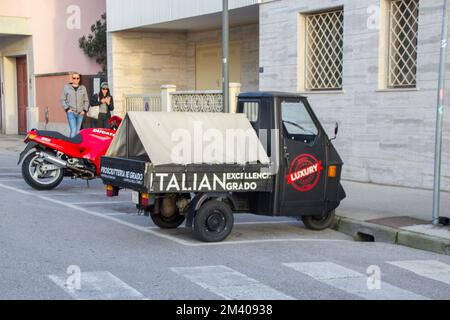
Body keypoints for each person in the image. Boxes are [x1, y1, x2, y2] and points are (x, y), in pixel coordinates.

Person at [60, 72, 89, 137]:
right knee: (73, 129)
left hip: (80, 113)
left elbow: (86, 100)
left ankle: (75, 146)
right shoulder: (67, 87)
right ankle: (71, 146)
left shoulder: (83, 88)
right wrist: (67, 109)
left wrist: (84, 110)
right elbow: (62, 99)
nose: (76, 79)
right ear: (72, 79)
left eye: (77, 78)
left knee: (77, 131)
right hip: (71, 112)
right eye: (74, 78)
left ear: (79, 79)